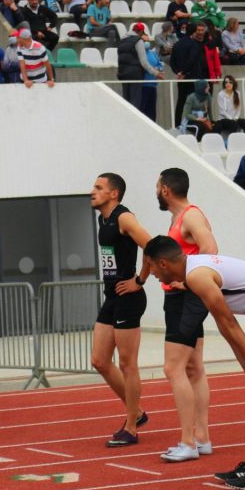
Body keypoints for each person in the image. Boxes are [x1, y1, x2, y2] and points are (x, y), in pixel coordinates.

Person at [145, 236, 245, 489]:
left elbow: (228, 322)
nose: (151, 273)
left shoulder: (197, 275)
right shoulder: (193, 272)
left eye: (151, 266)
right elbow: (224, 326)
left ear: (163, 263)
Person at [133, 170, 218, 462]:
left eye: (157, 186)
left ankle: (188, 442)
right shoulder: (179, 218)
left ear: (166, 189)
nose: (155, 190)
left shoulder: (190, 217)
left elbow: (211, 248)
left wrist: (189, 279)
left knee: (173, 368)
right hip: (183, 297)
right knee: (194, 368)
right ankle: (202, 438)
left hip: (185, 298)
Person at [89, 174, 154, 447]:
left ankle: (131, 427)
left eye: (98, 188)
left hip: (129, 298)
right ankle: (136, 412)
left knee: (128, 364)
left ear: (114, 194)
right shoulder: (102, 219)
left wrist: (140, 280)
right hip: (112, 296)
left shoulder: (124, 218)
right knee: (100, 360)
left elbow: (152, 246)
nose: (92, 192)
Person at [171, 22, 209, 127]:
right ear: (193, 32)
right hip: (192, 78)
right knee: (195, 102)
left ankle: (177, 124)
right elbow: (191, 60)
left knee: (181, 101)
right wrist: (184, 72)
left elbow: (172, 61)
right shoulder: (194, 44)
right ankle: (195, 124)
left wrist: (178, 72)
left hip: (181, 78)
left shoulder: (177, 44)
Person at [117, 23, 162, 111]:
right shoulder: (138, 40)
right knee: (135, 104)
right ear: (141, 31)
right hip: (135, 75)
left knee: (126, 103)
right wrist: (156, 73)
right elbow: (144, 62)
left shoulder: (122, 41)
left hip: (123, 74)